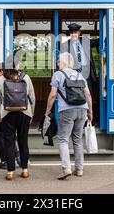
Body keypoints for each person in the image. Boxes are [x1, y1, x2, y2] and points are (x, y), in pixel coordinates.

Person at [44, 52, 93, 180]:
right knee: (77, 139)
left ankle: (66, 168)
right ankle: (79, 168)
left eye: (59, 61)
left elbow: (53, 95)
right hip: (82, 110)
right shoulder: (80, 75)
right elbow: (88, 95)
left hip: (66, 111)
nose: (57, 63)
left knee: (63, 139)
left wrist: (47, 111)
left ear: (65, 62)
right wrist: (90, 112)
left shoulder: (58, 75)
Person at [0, 56, 35, 181]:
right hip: (24, 113)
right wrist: (31, 114)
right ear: (17, 65)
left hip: (7, 113)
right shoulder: (26, 77)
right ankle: (24, 170)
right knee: (23, 141)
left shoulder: (1, 79)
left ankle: (10, 172)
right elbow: (32, 98)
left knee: (9, 143)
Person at [0, 62, 20, 170]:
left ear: (1, 71)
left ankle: (4, 160)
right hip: (10, 112)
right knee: (11, 136)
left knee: (1, 137)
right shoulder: (12, 79)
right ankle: (17, 158)